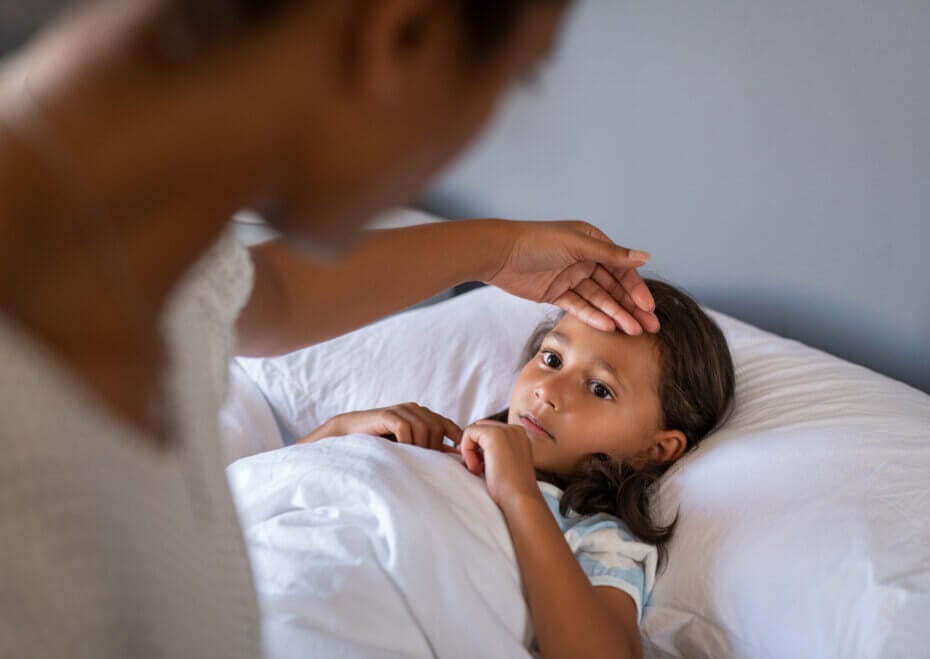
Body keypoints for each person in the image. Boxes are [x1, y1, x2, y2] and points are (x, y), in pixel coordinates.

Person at [0, 1, 665, 657]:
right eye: (517, 75)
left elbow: (274, 293)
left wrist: (498, 252)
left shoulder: (159, 272)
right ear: (403, 33)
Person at [298, 278, 735, 658]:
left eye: (600, 388)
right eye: (551, 360)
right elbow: (251, 492)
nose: (548, 392)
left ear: (656, 449)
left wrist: (519, 494)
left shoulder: (596, 535)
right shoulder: (446, 450)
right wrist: (342, 431)